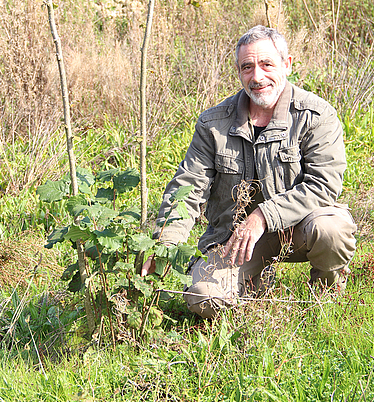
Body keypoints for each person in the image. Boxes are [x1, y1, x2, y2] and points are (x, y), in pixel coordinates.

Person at [142, 25, 357, 318]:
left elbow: (323, 185)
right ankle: (254, 293)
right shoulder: (213, 123)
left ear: (287, 64)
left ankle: (325, 299)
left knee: (333, 229)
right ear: (238, 72)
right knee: (202, 298)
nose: (257, 77)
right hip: (235, 239)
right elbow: (188, 187)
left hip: (299, 230)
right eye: (247, 67)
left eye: (267, 64)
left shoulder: (316, 115)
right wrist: (165, 244)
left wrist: (262, 217)